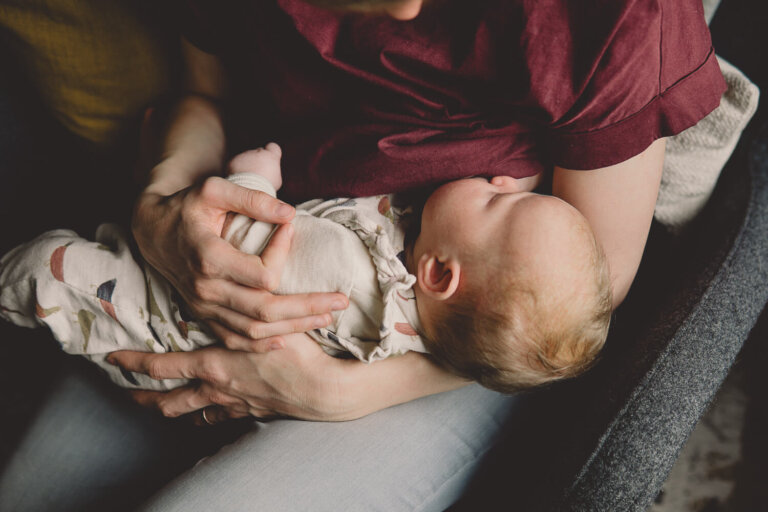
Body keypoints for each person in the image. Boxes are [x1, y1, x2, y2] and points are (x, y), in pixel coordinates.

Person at [0, 0, 726, 510]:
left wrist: (339, 392)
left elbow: (594, 279)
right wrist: (162, 207)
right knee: (30, 494)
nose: (407, 13)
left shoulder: (610, 16)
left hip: (461, 358)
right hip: (239, 269)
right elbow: (205, 97)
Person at [0, 142, 611, 393]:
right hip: (194, 315)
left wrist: (253, 177)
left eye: (502, 201)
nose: (503, 180)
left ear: (440, 275)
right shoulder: (421, 306)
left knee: (45, 269)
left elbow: (249, 240)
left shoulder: (345, 277)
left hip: (151, 317)